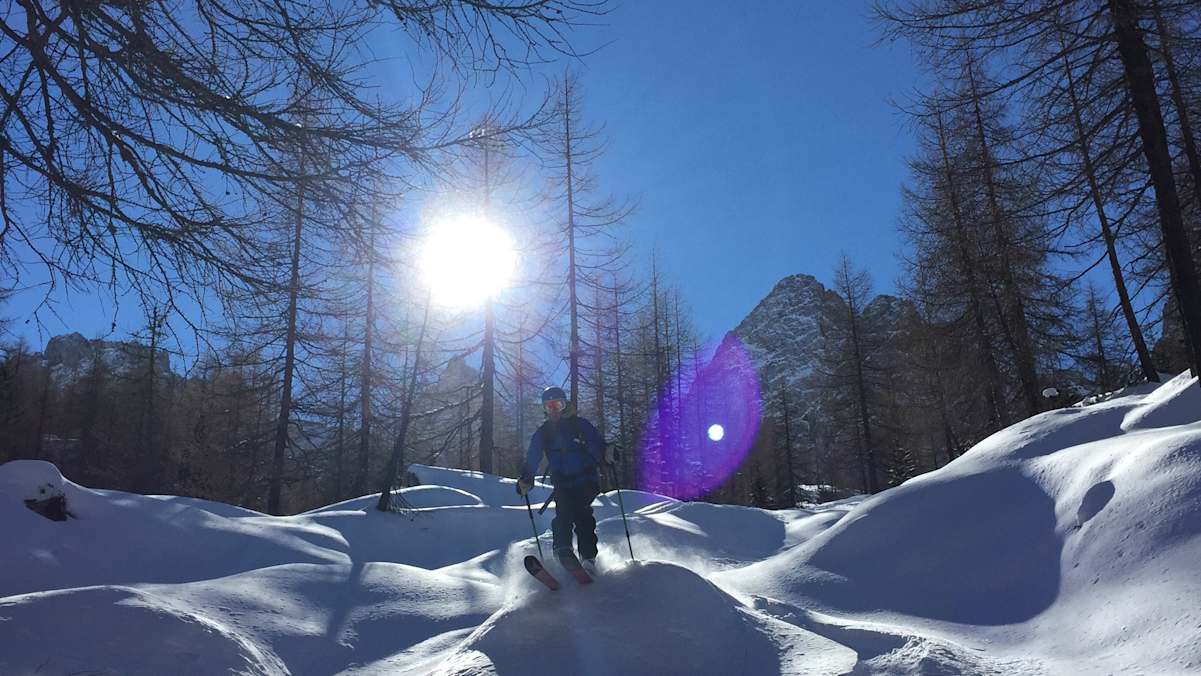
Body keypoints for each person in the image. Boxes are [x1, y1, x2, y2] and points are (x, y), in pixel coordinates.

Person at [516, 386, 611, 566]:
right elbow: (533, 455)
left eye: (557, 405)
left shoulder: (579, 425)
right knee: (563, 515)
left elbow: (596, 442)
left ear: (564, 405)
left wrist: (607, 452)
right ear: (544, 409)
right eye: (548, 407)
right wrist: (526, 477)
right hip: (562, 483)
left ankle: (588, 557)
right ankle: (563, 551)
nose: (553, 411)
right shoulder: (543, 432)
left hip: (586, 479)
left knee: (582, 514)